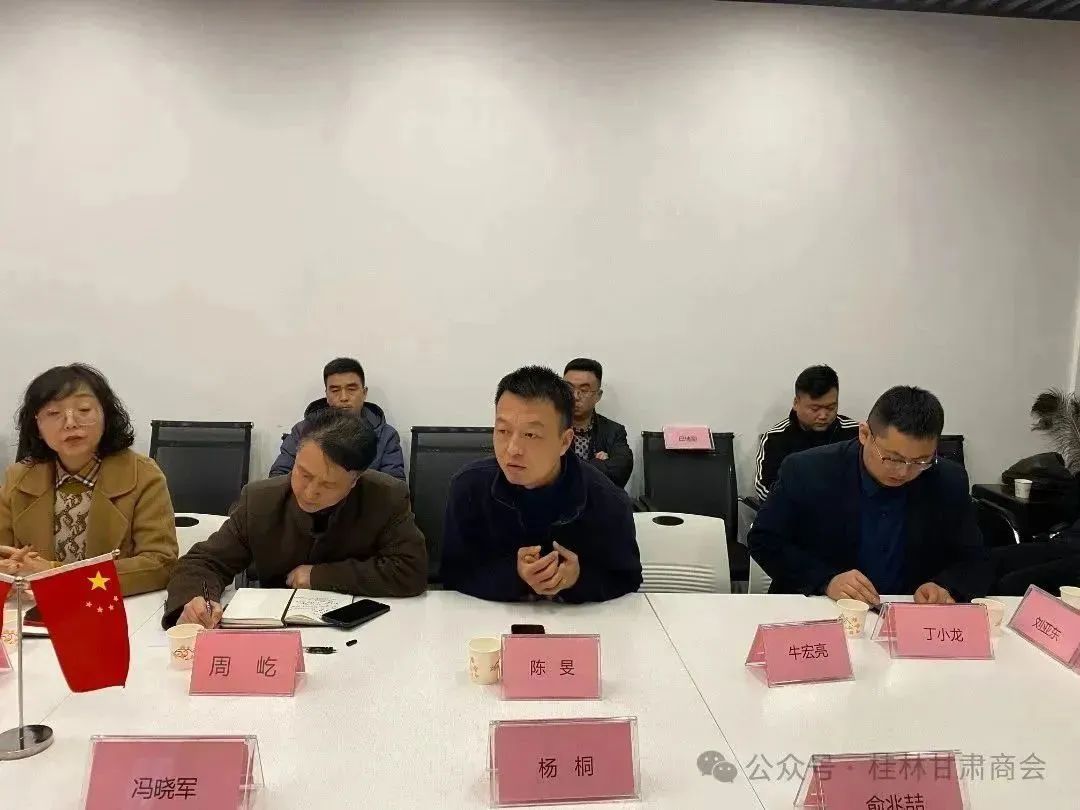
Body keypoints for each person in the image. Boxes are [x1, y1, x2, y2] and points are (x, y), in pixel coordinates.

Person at [165, 408, 426, 628]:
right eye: (304, 474)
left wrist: (320, 576)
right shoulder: (260, 501)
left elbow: (411, 570)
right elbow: (204, 562)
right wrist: (196, 602)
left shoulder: (386, 497)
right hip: (274, 631)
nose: (310, 493)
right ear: (296, 457)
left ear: (355, 480)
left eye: (329, 485)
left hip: (362, 630)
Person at [748, 386, 990, 604]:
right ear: (864, 434)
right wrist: (826, 580)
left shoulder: (948, 480)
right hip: (823, 607)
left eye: (920, 461)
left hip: (908, 614)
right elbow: (764, 540)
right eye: (893, 458)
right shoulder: (807, 470)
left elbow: (973, 558)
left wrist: (944, 586)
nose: (904, 472)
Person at [441, 365, 642, 603]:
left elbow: (627, 579)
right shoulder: (469, 487)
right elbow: (453, 573)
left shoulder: (607, 499)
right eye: (503, 430)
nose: (512, 449)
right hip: (490, 619)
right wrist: (515, 575)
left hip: (574, 621)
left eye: (530, 435)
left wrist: (578, 580)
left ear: (565, 441)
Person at [0, 364, 178, 595]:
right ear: (37, 426)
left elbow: (161, 564)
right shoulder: (17, 478)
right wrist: (7, 571)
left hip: (117, 609)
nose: (70, 423)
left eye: (84, 410)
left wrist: (57, 574)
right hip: (33, 607)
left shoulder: (143, 475)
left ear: (106, 415)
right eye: (53, 413)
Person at [270, 357, 405, 480]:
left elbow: (395, 486)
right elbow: (278, 476)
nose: (344, 397)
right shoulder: (302, 431)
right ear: (327, 395)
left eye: (351, 389)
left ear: (364, 393)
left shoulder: (386, 435)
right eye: (335, 391)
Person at [753, 365, 859, 501]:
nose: (823, 415)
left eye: (831, 408)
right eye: (815, 409)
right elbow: (764, 489)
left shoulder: (855, 433)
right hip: (795, 511)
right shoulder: (776, 438)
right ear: (796, 403)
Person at [563, 358, 633, 489]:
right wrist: (598, 464)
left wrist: (569, 471)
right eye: (569, 388)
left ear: (598, 395)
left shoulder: (614, 431)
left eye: (584, 390)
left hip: (600, 499)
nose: (575, 396)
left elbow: (620, 472)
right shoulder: (548, 427)